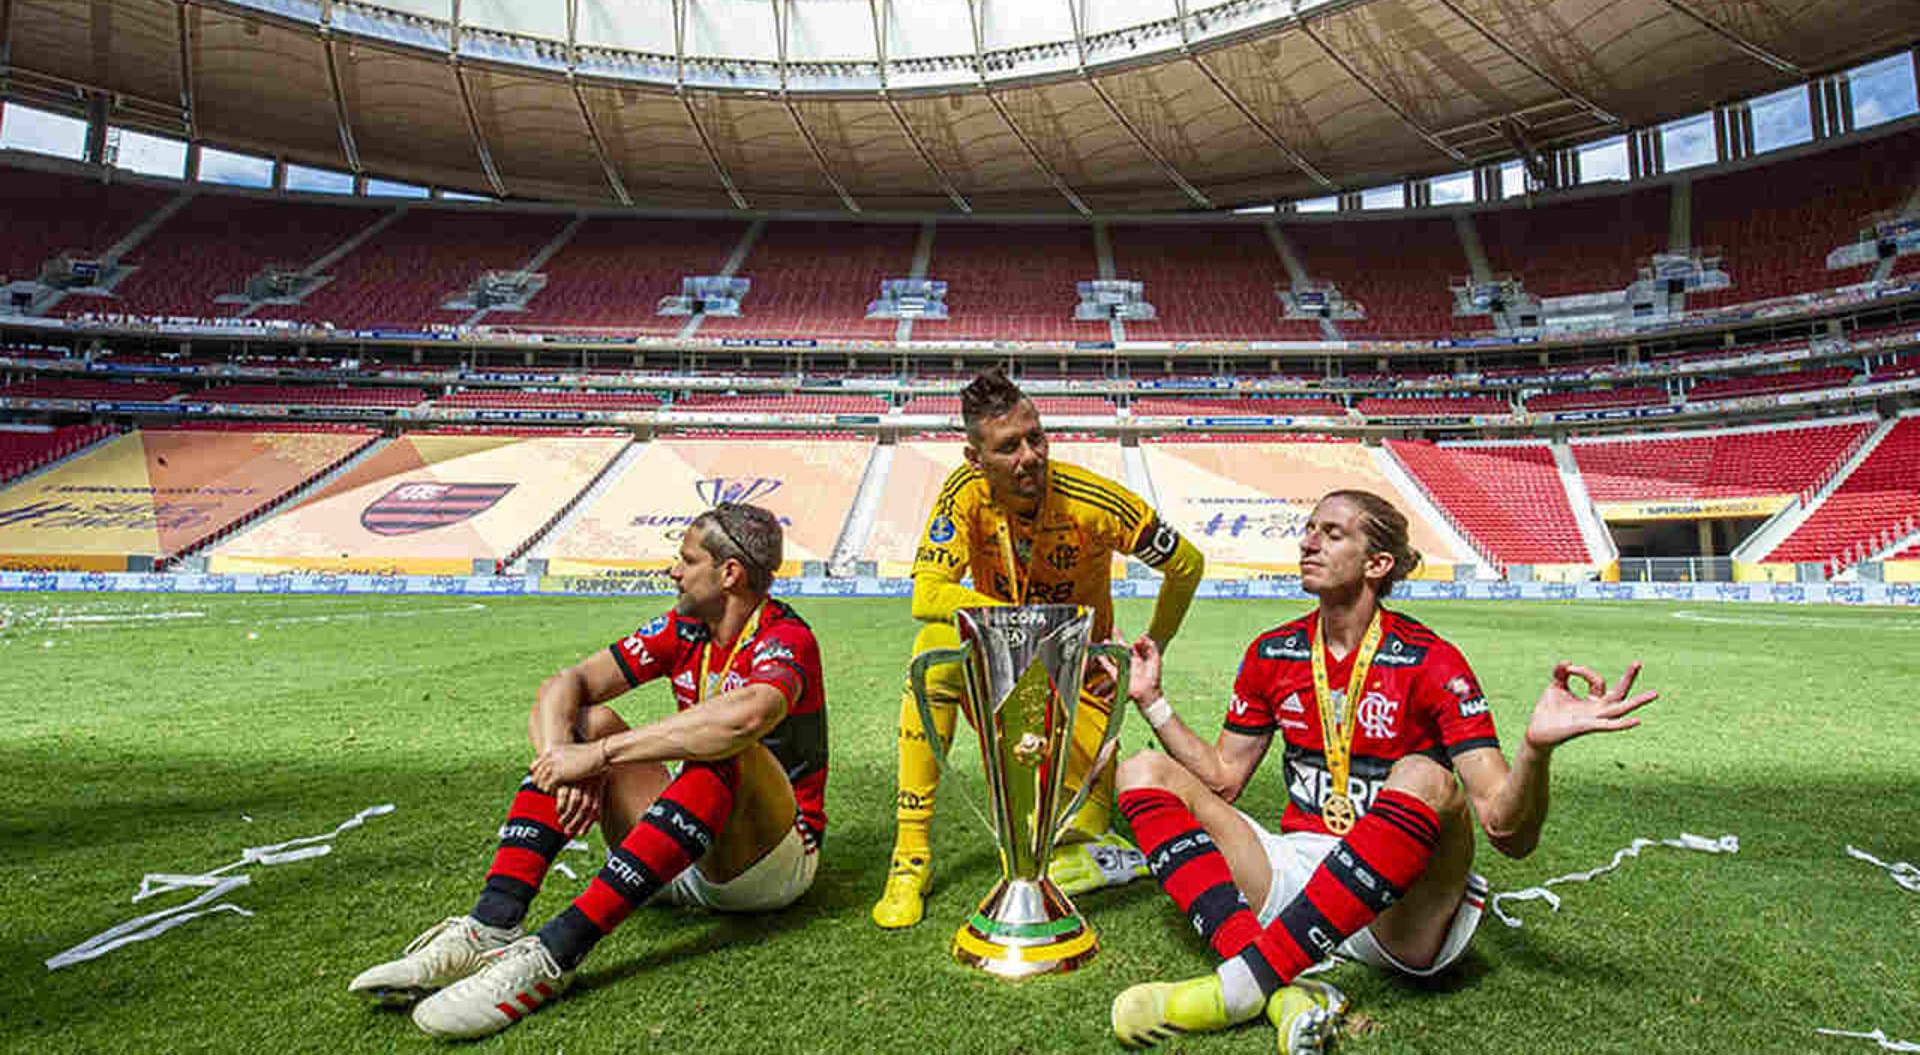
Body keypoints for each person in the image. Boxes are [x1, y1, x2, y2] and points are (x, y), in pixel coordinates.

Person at [1108, 490, 1657, 1051]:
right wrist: (1152, 702)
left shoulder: (1431, 661)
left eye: (1331, 533)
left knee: (1424, 776)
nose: (1307, 541)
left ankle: (1240, 984)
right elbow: (1223, 777)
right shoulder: (1272, 653)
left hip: (1400, 910)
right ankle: (1279, 986)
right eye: (1308, 529)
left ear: (1377, 564)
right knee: (1142, 770)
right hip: (1298, 875)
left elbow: (1507, 832)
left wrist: (1536, 751)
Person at [348, 502, 827, 1040]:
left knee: (725, 742)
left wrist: (597, 758)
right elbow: (566, 684)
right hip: (679, 849)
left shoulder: (787, 637)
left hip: (763, 866)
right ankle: (491, 926)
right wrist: (564, 759)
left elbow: (749, 717)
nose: (673, 570)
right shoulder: (686, 629)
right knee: (585, 719)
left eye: (686, 560)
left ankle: (554, 957)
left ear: (729, 573)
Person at [872, 368, 1206, 929]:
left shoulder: (1094, 502)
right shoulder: (963, 493)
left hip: (1080, 693)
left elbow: (1187, 563)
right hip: (1005, 679)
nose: (1030, 456)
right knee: (931, 649)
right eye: (1009, 447)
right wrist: (1028, 628)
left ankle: (1086, 831)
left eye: (1037, 437)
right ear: (974, 458)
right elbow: (927, 594)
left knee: (1073, 845)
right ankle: (910, 858)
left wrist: (1159, 642)